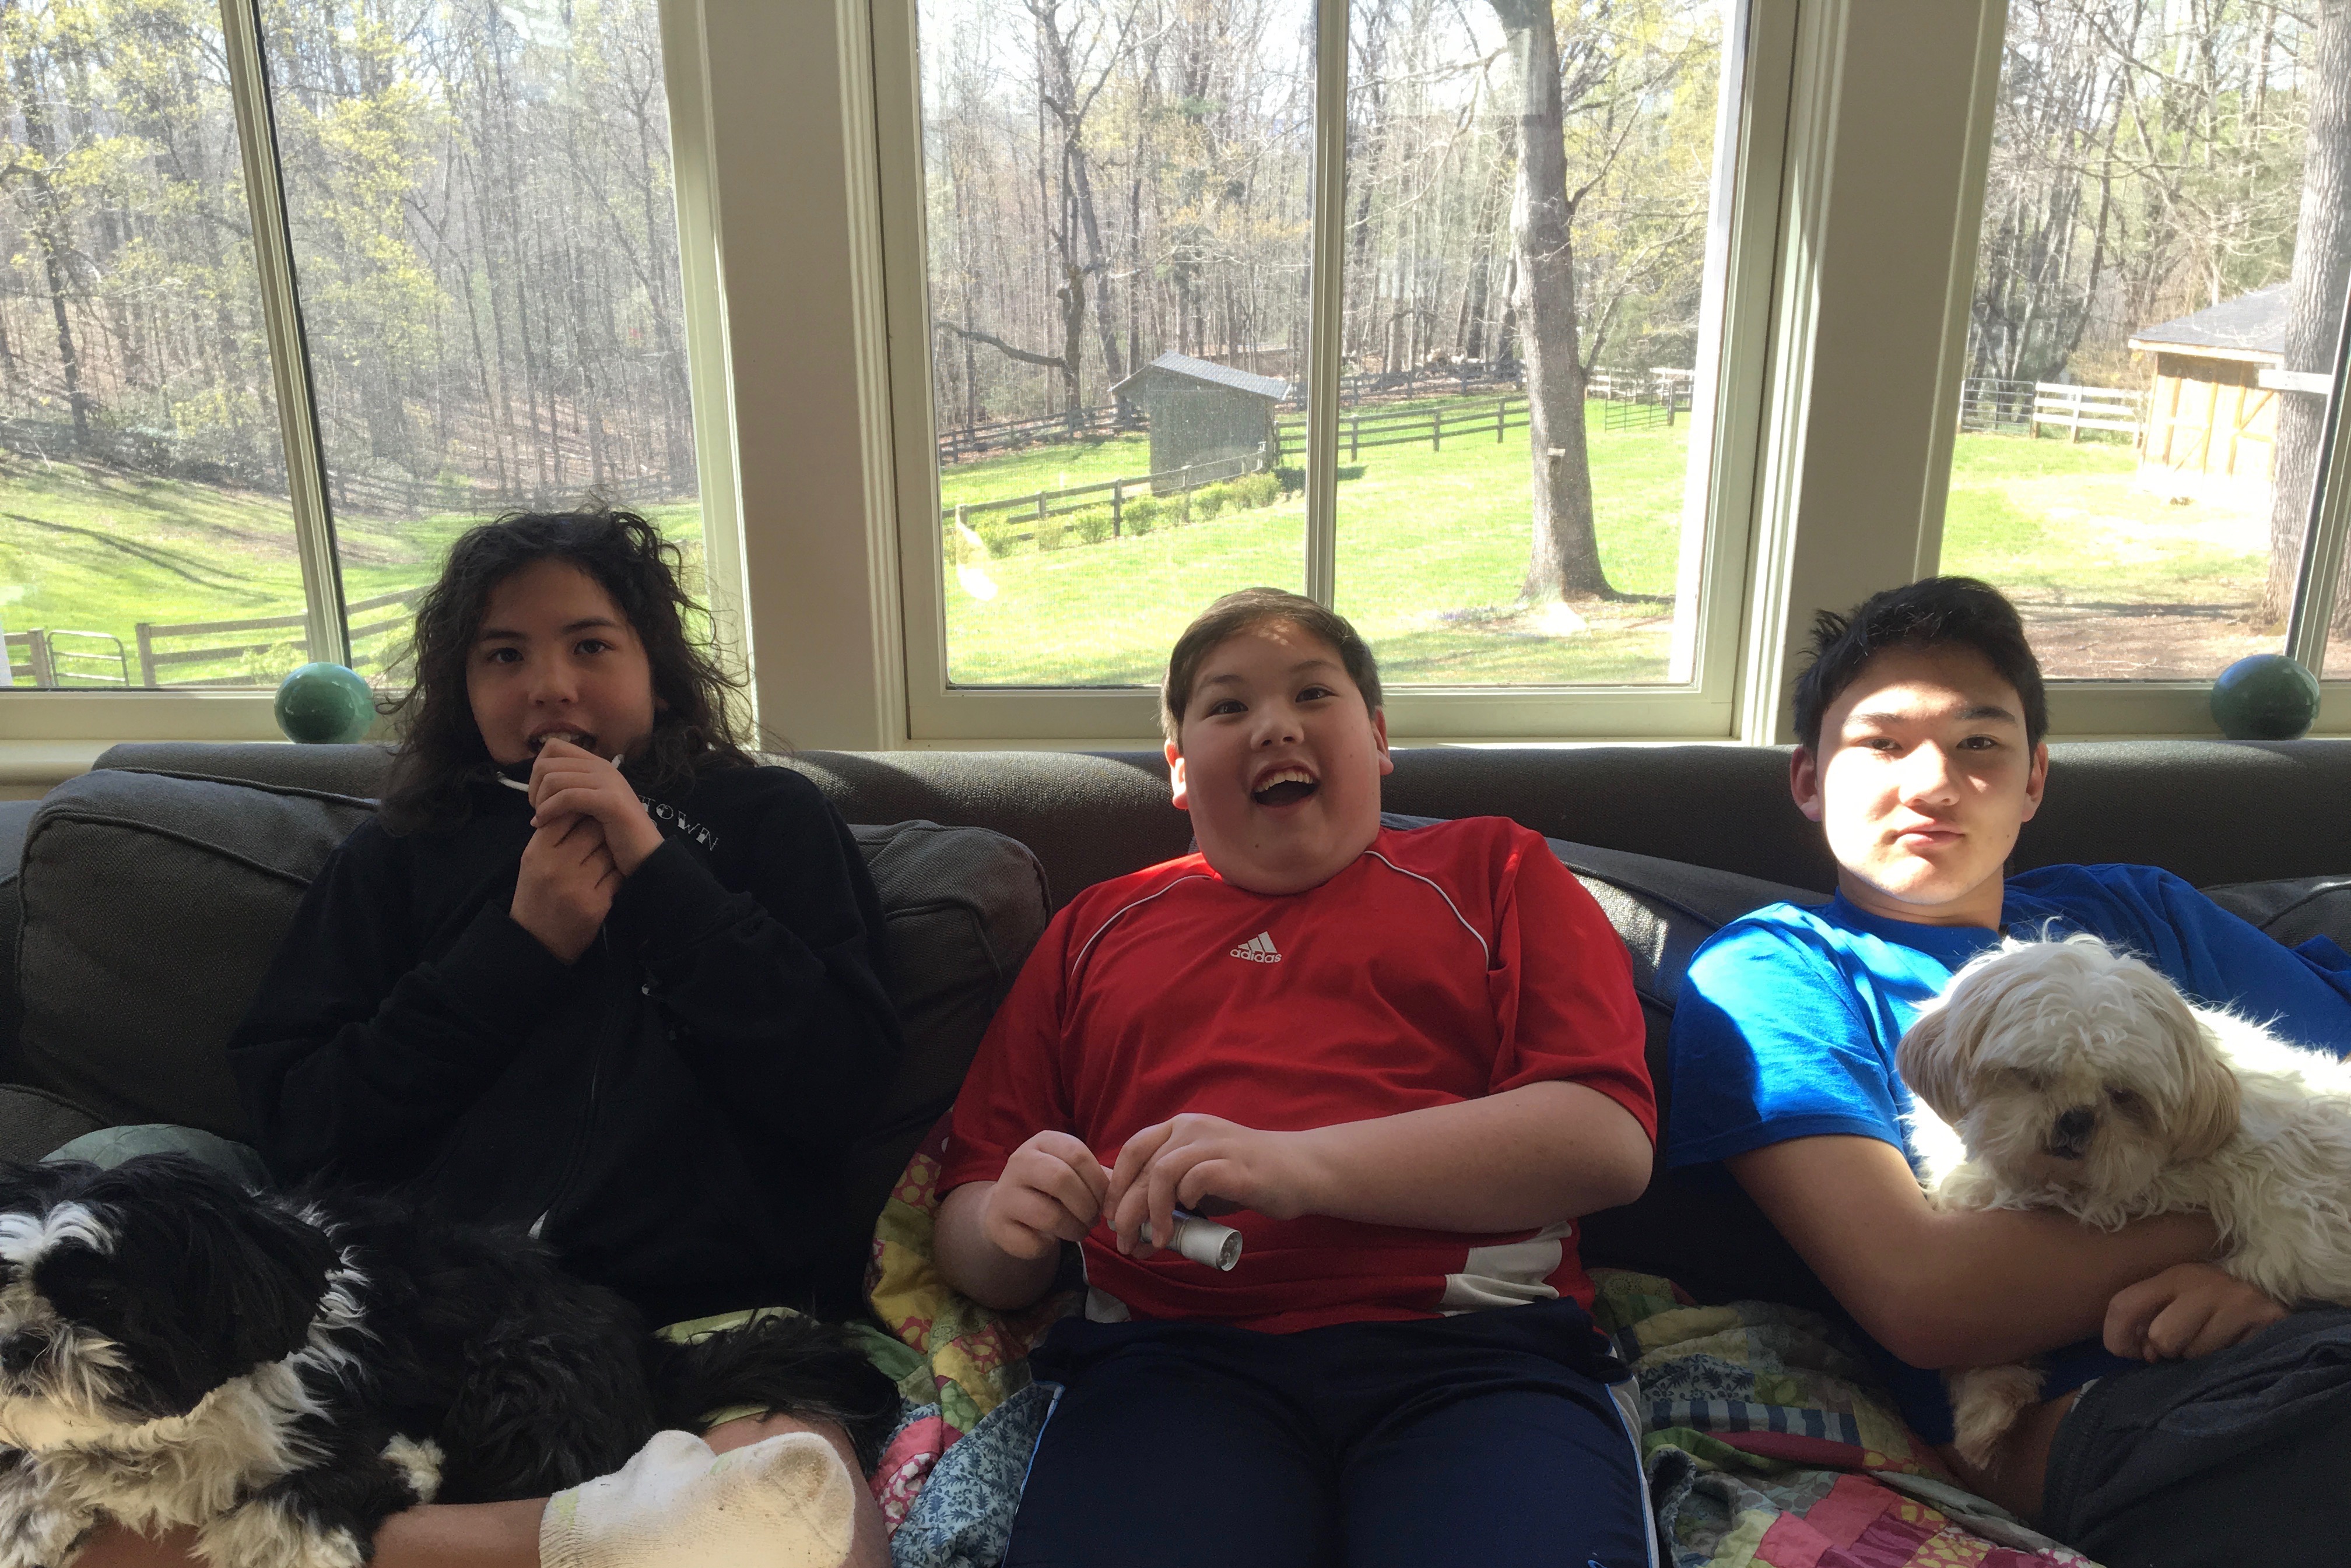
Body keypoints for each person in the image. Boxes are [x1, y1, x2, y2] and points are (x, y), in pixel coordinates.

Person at [79, 508, 900, 1568]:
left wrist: (661, 875)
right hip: (440, 1314)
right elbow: (301, 1118)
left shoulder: (769, 819)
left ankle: (407, 1545)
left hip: (719, 1316)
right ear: (463, 691)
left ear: (657, 671)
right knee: (106, 1529)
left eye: (590, 645)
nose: (550, 685)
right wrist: (517, 951)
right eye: (504, 655)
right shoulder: (397, 856)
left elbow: (840, 1082)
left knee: (803, 1511)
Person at [932, 587, 1662, 1568]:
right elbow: (969, 1224)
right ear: (1179, 769)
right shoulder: (1093, 929)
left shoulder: (1497, 869)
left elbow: (1605, 1139)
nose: (1274, 724)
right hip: (1166, 1362)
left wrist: (1292, 1166)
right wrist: (1008, 1225)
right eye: (1228, 705)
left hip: (1480, 1353)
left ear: (1380, 738)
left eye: (1313, 693)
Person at [1667, 575, 2351, 1568]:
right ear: (1808, 778)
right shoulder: (1777, 973)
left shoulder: (2143, 911)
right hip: (2128, 1407)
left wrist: (2283, 1279)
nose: (1933, 783)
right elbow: (1930, 1296)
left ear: (2035, 780)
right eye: (1883, 742)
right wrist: (2266, 1240)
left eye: (1979, 743)